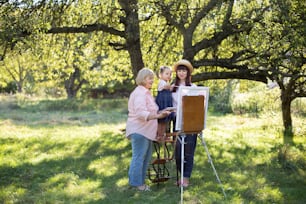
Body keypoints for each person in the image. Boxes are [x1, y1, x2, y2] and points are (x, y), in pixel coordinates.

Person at [125, 67, 171, 191]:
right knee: (139, 157)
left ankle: (140, 183)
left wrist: (163, 112)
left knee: (145, 158)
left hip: (146, 132)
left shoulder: (146, 93)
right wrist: (158, 115)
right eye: (149, 78)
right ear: (142, 79)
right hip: (139, 130)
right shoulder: (140, 93)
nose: (151, 81)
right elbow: (141, 113)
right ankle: (137, 185)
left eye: (152, 78)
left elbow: (151, 110)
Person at [171, 59, 197, 187]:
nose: (181, 73)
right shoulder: (172, 88)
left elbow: (198, 106)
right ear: (177, 73)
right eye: (179, 71)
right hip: (177, 120)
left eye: (184, 71)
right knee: (178, 150)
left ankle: (186, 178)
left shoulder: (193, 87)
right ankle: (180, 176)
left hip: (190, 120)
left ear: (187, 73)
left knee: (189, 149)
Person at [155, 66, 174, 141]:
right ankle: (159, 134)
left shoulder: (166, 82)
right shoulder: (161, 82)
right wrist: (172, 86)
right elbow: (167, 87)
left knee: (165, 121)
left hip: (167, 102)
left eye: (170, 74)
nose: (169, 75)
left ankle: (163, 134)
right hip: (162, 102)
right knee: (161, 119)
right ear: (161, 75)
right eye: (167, 74)